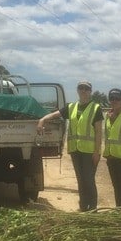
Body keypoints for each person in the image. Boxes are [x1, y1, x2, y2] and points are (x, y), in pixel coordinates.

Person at [37, 81, 103, 211]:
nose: (83, 90)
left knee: (89, 181)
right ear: (77, 90)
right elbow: (55, 114)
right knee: (80, 180)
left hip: (89, 151)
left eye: (86, 88)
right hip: (75, 150)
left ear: (90, 91)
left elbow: (99, 132)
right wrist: (42, 120)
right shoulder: (71, 107)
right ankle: (83, 207)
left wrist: (97, 152)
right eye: (81, 88)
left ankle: (93, 209)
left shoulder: (96, 108)